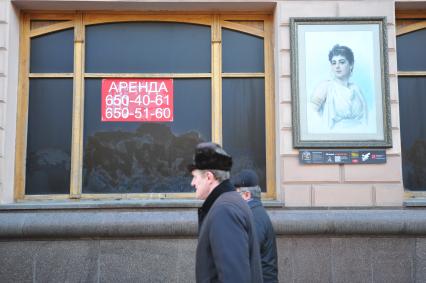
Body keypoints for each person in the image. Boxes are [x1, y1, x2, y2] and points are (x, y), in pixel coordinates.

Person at [188, 142, 263, 283]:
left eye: (195, 176)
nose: (192, 183)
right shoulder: (228, 202)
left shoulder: (225, 210)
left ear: (209, 177)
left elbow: (235, 278)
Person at [231, 169, 278, 283]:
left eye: (236, 194)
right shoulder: (254, 212)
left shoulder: (254, 217)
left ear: (247, 195)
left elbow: (247, 254)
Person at [310, 44, 368, 131]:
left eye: (342, 62)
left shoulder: (356, 89)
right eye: (334, 63)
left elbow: (364, 118)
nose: (337, 66)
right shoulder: (326, 87)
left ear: (351, 64)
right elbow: (311, 112)